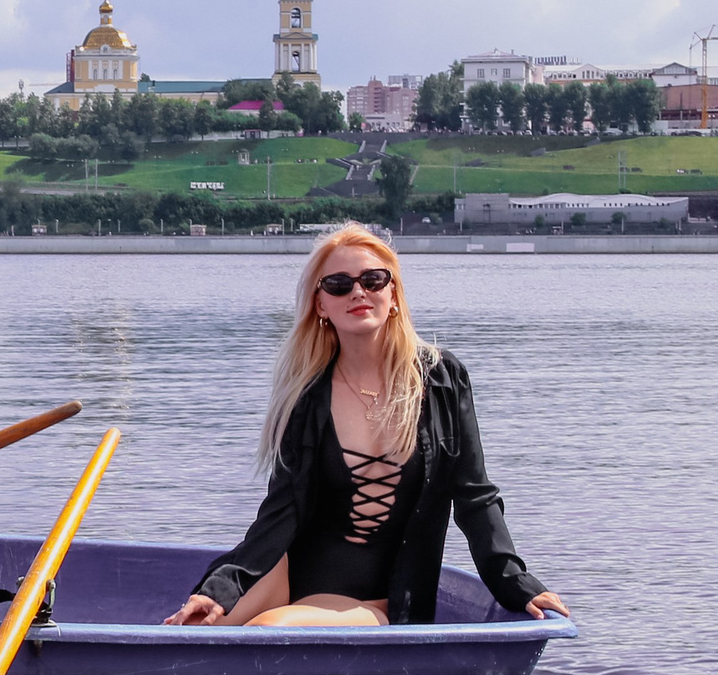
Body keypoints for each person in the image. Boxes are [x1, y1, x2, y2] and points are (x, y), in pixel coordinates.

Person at [165, 224, 569, 628]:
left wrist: (518, 584)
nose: (358, 292)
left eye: (373, 279)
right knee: (197, 626)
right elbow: (281, 510)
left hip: (379, 600)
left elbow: (475, 496)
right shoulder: (307, 396)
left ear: (393, 294)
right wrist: (220, 589)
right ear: (320, 303)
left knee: (271, 629)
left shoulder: (441, 378)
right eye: (338, 284)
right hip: (288, 575)